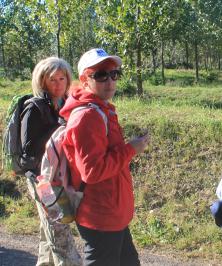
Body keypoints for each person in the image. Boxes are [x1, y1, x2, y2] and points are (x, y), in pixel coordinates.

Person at [60, 48, 149, 266]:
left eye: (113, 74)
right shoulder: (88, 116)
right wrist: (131, 149)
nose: (109, 81)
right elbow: (93, 171)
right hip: (101, 215)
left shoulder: (101, 109)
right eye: (100, 75)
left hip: (112, 211)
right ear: (84, 79)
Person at [21, 57, 81, 266]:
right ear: (42, 81)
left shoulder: (68, 104)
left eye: (61, 78)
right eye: (52, 79)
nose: (58, 84)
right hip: (42, 180)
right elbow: (28, 151)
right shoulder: (34, 108)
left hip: (60, 177)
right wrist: (57, 134)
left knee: (49, 231)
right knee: (59, 230)